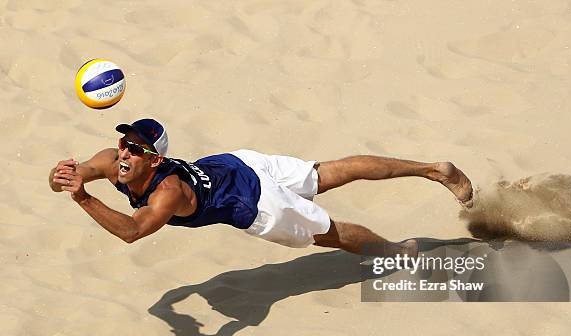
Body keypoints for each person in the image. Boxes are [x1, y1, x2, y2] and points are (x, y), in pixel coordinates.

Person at [49, 118, 472, 257]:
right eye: (124, 143)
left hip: (250, 199)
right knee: (327, 173)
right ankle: (434, 169)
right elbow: (78, 171)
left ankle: (397, 253)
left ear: (155, 159)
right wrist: (62, 178)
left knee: (327, 233)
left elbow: (132, 231)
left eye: (136, 149)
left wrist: (83, 198)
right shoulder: (111, 158)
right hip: (235, 162)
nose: (124, 153)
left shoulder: (168, 193)